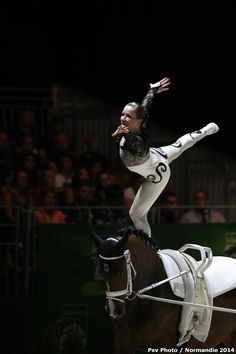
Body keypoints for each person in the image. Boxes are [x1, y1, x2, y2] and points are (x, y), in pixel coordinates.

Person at [112, 77, 219, 237]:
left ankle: (149, 249)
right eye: (122, 114)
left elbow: (138, 148)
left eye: (128, 116)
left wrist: (125, 133)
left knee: (136, 215)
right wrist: (152, 90)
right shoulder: (139, 122)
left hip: (158, 174)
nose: (123, 118)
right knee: (179, 145)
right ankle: (206, 130)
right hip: (157, 155)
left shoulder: (138, 140)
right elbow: (144, 106)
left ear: (138, 122)